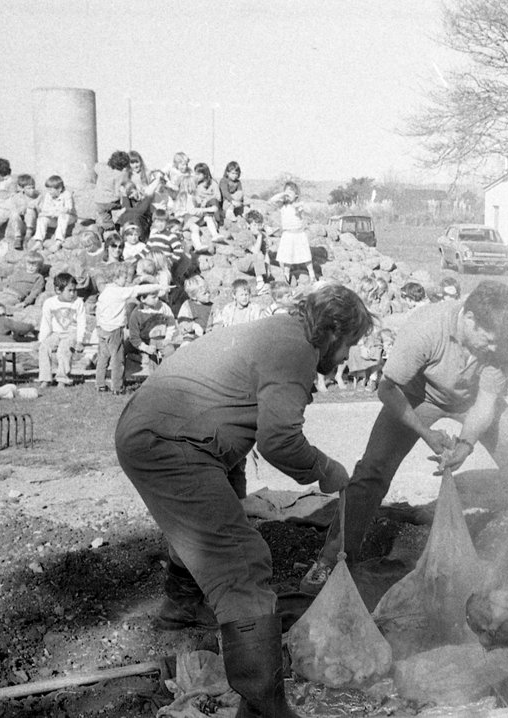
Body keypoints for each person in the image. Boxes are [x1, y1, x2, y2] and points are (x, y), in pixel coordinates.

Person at [114, 284, 372, 717]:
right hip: (173, 441)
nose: (347, 357)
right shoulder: (297, 349)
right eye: (349, 344)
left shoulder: (279, 331)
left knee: (216, 519)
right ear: (331, 331)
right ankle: (263, 706)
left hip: (175, 431)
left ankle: (181, 603)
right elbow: (280, 440)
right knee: (242, 562)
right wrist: (328, 471)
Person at [303, 280, 508, 589]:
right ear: (469, 319)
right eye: (488, 340)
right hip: (416, 397)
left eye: (499, 342)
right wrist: (425, 433)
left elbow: (486, 402)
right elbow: (387, 390)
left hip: (470, 401)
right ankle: (330, 560)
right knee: (372, 472)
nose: (494, 349)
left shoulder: (500, 337)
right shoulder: (426, 328)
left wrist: (466, 444)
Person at [95, 263, 171, 394]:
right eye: (124, 277)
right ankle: (117, 388)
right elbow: (138, 290)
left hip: (102, 329)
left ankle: (100, 384)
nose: (126, 280)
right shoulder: (119, 292)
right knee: (118, 359)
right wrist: (159, 286)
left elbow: (98, 309)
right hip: (114, 330)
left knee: (103, 357)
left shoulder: (105, 291)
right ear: (116, 277)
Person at [37, 273, 87, 388]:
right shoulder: (49, 303)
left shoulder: (78, 302)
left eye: (74, 290)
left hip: (71, 334)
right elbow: (46, 323)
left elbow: (81, 323)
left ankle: (62, 378)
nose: (73, 293)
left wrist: (80, 341)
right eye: (69, 290)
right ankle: (45, 378)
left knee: (64, 350)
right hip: (55, 333)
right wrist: (41, 340)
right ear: (58, 290)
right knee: (44, 348)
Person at [270, 182, 315, 285]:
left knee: (306, 256)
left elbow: (309, 211)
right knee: (287, 257)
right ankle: (286, 276)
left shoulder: (297, 206)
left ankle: (312, 275)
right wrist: (283, 194)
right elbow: (272, 200)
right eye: (287, 190)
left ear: (296, 195)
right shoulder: (282, 205)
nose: (288, 193)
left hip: (299, 234)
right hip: (288, 234)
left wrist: (301, 205)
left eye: (291, 191)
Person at [31, 175, 77, 248]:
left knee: (63, 216)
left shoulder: (66, 194)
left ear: (59, 189)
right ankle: (39, 241)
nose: (49, 192)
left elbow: (68, 209)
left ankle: (58, 241)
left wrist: (53, 212)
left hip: (69, 217)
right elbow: (45, 210)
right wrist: (54, 212)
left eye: (51, 190)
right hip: (54, 218)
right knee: (42, 218)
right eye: (48, 189)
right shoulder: (48, 195)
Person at [94, 150, 133, 232]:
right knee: (129, 204)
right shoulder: (121, 174)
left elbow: (96, 166)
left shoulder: (102, 168)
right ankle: (122, 221)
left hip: (99, 201)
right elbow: (125, 185)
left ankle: (108, 228)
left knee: (105, 216)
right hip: (113, 201)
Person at [185, 162, 222, 248]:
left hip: (210, 205)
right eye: (195, 174)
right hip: (200, 209)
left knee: (213, 201)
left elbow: (218, 197)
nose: (196, 176)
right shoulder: (195, 184)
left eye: (198, 174)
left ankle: (216, 224)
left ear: (205, 174)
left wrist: (207, 199)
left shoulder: (213, 183)